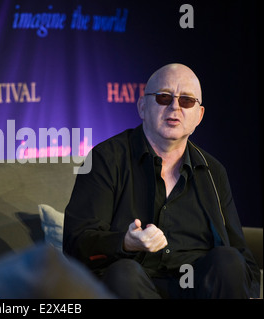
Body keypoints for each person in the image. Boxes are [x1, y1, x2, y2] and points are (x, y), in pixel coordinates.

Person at [63, 63, 261, 298]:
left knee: (228, 260)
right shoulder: (106, 158)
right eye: (164, 97)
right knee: (124, 273)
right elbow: (77, 241)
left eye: (186, 100)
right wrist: (126, 242)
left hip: (198, 290)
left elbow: (240, 255)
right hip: (135, 285)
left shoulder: (212, 170)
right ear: (142, 106)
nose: (175, 107)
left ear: (199, 116)